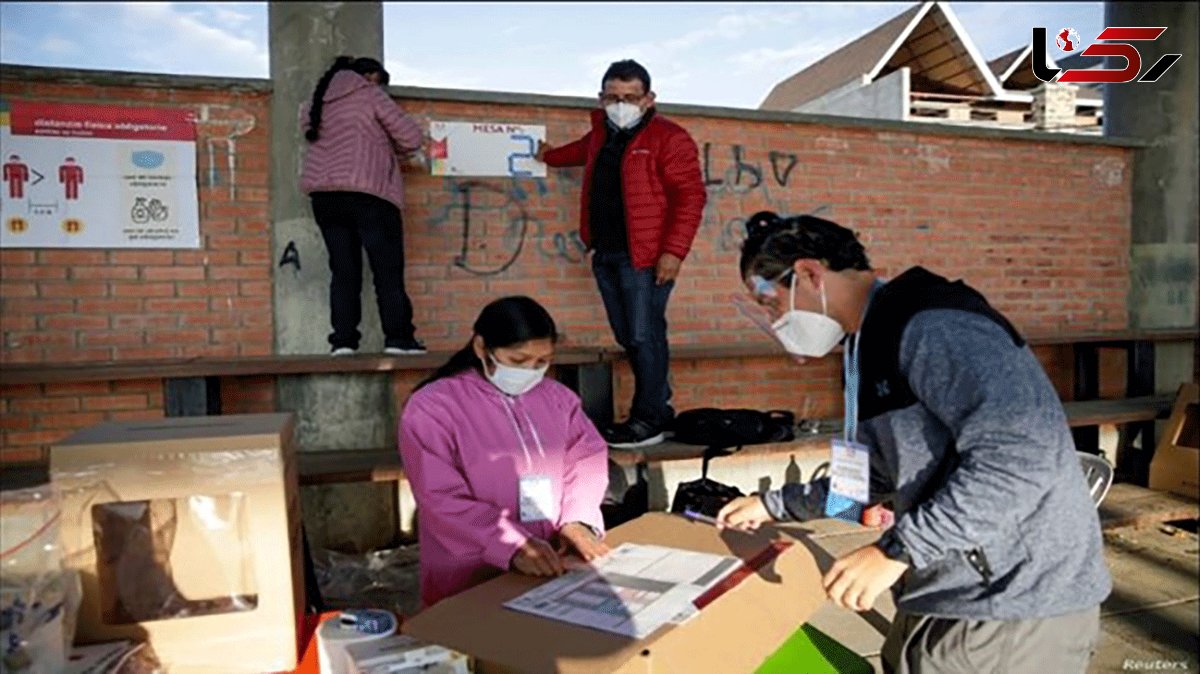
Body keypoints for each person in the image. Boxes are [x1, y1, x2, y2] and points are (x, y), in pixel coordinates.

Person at [717, 213, 1111, 673]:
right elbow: (878, 477)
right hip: (944, 591)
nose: (773, 319)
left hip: (1012, 602)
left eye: (769, 302)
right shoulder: (868, 346)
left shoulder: (932, 325)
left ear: (808, 274)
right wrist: (775, 505)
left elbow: (1022, 458)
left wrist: (896, 550)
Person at [399, 296, 611, 608]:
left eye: (542, 362)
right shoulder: (433, 407)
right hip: (470, 571)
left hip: (552, 561)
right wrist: (511, 546)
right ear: (481, 347)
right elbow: (439, 497)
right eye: (518, 361)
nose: (531, 371)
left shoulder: (558, 399)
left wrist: (577, 521)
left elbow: (586, 459)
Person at [537, 59, 706, 449]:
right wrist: (547, 155)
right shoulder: (601, 134)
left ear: (649, 99)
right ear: (601, 98)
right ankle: (657, 412)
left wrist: (673, 253)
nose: (621, 103)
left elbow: (690, 197)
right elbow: (578, 153)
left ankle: (649, 418)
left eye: (630, 97)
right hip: (607, 253)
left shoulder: (670, 138)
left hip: (646, 257)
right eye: (613, 97)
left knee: (645, 335)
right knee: (629, 335)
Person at [300, 56, 426, 357]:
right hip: (369, 193)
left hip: (325, 197)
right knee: (387, 271)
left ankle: (343, 342)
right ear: (369, 77)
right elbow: (411, 138)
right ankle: (399, 339)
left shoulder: (314, 102)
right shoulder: (369, 95)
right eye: (380, 82)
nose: (381, 88)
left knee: (343, 272)